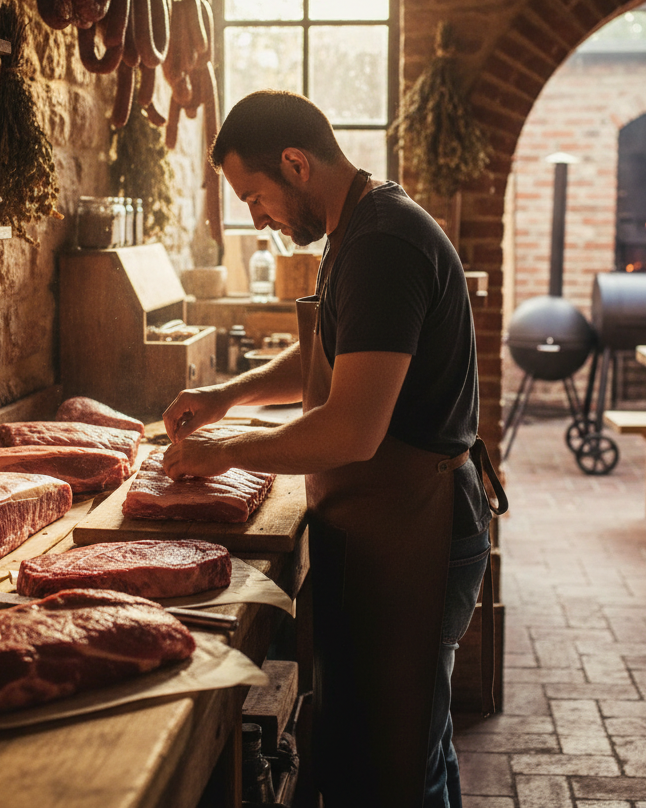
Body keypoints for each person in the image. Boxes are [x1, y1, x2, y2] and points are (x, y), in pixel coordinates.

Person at [162, 90, 494, 808]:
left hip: (421, 526)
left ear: (295, 163)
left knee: (401, 764)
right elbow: (339, 354)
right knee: (404, 744)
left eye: (255, 197)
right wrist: (226, 398)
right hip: (384, 521)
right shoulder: (354, 227)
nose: (257, 218)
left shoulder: (383, 244)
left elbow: (352, 429)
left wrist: (228, 452)